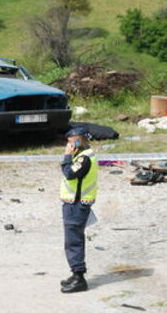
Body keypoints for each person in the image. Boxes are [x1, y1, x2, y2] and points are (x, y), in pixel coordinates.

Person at [59, 125, 98, 293]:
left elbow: (69, 173)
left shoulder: (84, 159)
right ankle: (76, 274)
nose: (68, 145)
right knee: (73, 239)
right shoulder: (84, 155)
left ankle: (79, 277)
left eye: (70, 142)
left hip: (76, 204)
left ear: (77, 141)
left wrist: (67, 156)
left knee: (73, 241)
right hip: (75, 203)